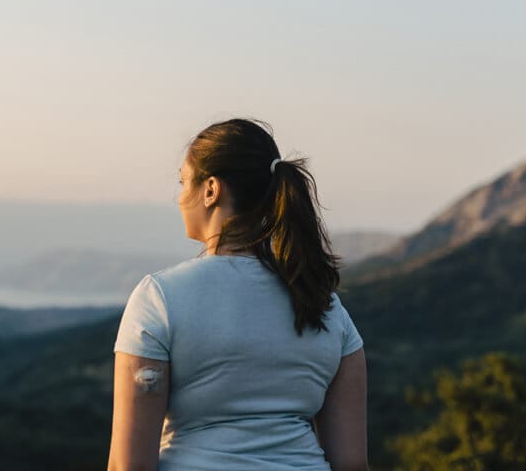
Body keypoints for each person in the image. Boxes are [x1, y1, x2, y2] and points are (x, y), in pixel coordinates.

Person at [108, 118, 368, 471]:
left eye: (183, 181)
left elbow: (129, 466)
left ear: (211, 189)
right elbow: (351, 464)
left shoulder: (160, 299)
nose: (181, 197)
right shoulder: (326, 306)